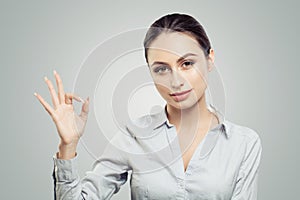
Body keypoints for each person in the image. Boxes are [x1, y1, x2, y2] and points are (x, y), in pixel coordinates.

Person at [34, 13, 263, 200]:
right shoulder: (135, 136)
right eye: (161, 69)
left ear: (210, 59)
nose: (176, 81)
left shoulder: (243, 143)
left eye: (187, 64)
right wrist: (68, 145)